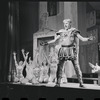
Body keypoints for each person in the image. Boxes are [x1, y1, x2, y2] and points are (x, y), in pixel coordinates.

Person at [40, 19, 95, 87]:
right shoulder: (61, 32)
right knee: (59, 66)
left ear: (70, 24)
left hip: (71, 49)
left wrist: (89, 39)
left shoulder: (74, 31)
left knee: (76, 66)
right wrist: (46, 43)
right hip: (63, 49)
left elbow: (82, 39)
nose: (65, 25)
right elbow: (54, 40)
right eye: (64, 23)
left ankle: (81, 83)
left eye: (66, 23)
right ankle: (58, 83)